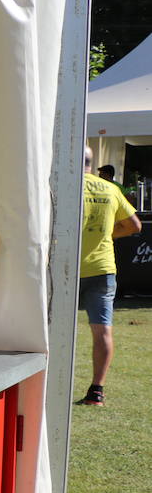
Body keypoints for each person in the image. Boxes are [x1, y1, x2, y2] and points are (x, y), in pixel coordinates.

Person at [76, 147, 140, 407]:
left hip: (66, 269)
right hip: (103, 268)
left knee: (49, 328)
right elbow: (134, 225)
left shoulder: (61, 185)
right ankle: (96, 392)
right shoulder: (110, 189)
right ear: (93, 164)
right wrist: (107, 235)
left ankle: (46, 384)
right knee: (102, 330)